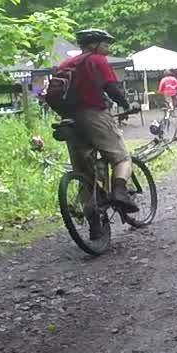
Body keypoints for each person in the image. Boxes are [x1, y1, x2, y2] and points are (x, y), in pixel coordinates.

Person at [60, 29, 139, 217]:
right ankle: (120, 193)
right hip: (93, 114)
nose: (107, 48)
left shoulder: (65, 64)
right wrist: (126, 103)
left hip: (68, 120)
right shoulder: (97, 60)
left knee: (84, 173)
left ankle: (94, 222)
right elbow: (110, 87)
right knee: (121, 158)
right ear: (92, 45)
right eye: (104, 43)